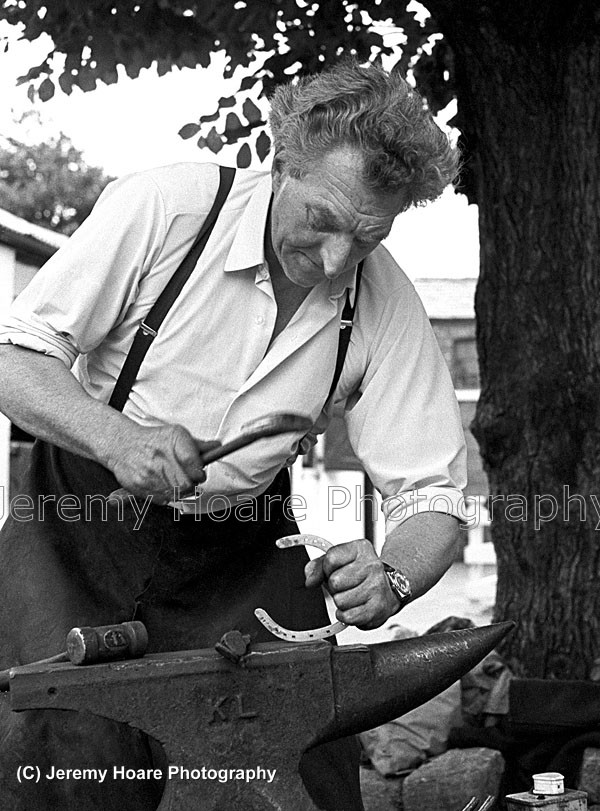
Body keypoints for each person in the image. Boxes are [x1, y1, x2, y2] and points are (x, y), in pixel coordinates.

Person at [0, 59, 467, 810]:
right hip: (74, 528)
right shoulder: (167, 208)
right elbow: (16, 358)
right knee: (63, 755)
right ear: (283, 163)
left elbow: (434, 495)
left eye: (367, 237)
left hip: (238, 555)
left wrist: (396, 575)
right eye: (323, 220)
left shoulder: (383, 302)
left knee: (302, 747)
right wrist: (115, 437)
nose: (336, 261)